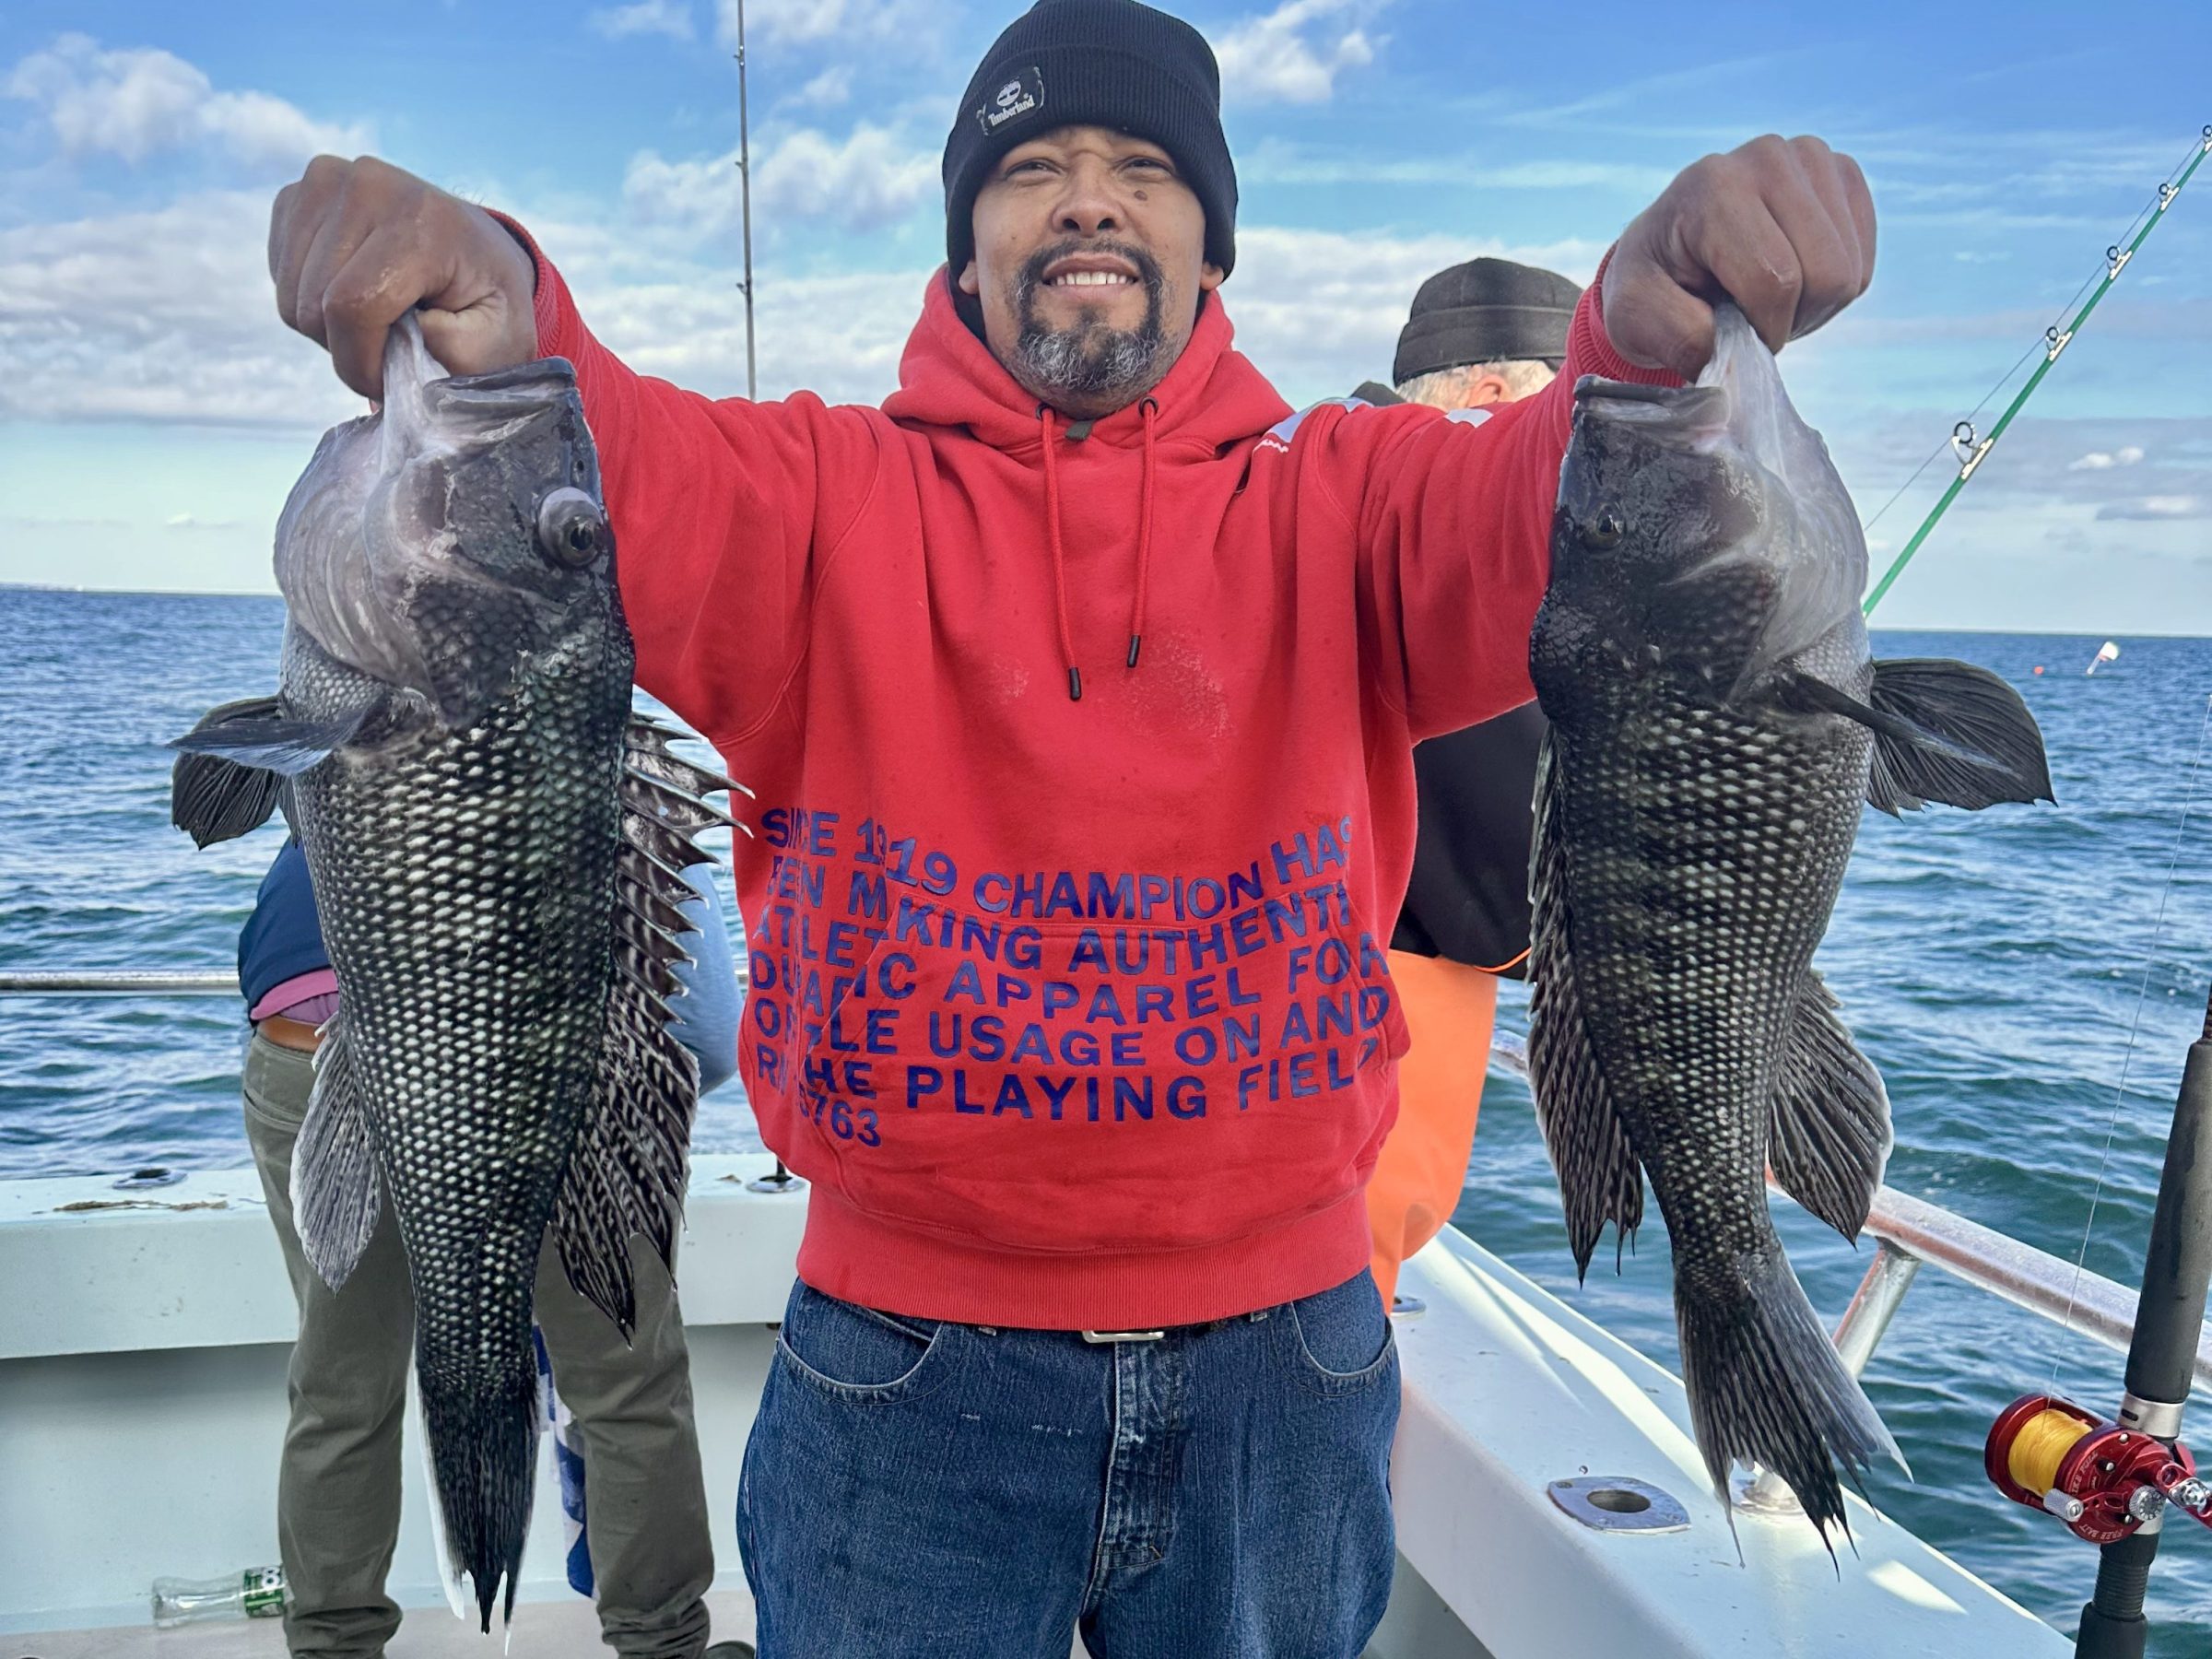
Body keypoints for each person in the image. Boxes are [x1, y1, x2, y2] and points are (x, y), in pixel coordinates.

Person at [262, 1, 1876, 1651]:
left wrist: (1644, 324)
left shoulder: (1358, 498)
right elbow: (588, 452)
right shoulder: (816, 501)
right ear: (968, 241)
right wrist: (500, 295)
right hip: (902, 1371)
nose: (1089, 201)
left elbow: (1569, 496)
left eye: (1144, 171)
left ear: (1208, 239)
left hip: (1292, 1364)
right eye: (1033, 168)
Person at [238, 839, 751, 1659]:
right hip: (555, 1079)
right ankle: (662, 1644)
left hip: (316, 1061)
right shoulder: (618, 753)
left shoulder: (363, 741)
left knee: (342, 1384)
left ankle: (332, 1645)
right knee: (626, 1380)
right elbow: (714, 1035)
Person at [1349, 258, 1579, 1312]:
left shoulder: (1287, 482)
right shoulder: (1443, 540)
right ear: (1491, 404)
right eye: (1572, 427)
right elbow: (1504, 898)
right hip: (1356, 1042)